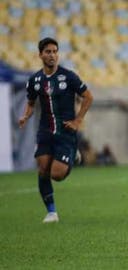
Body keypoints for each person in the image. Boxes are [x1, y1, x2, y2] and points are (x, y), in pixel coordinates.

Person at [18, 37, 93, 223]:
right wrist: (26, 116)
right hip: (45, 131)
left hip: (65, 131)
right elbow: (30, 102)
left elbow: (88, 97)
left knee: (56, 175)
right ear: (40, 55)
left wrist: (78, 120)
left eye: (54, 52)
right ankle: (51, 212)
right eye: (48, 52)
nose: (52, 55)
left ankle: (73, 155)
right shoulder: (35, 80)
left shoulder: (68, 76)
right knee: (43, 168)